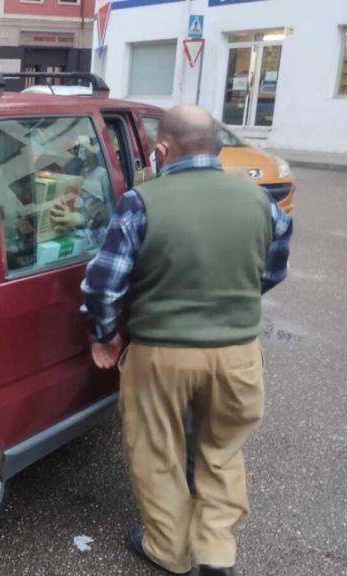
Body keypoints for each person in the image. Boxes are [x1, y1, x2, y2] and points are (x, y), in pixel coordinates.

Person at [81, 105, 292, 576]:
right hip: (237, 353)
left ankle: (167, 550)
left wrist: (105, 335)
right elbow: (273, 270)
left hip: (160, 353)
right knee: (221, 450)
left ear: (161, 150)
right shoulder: (260, 201)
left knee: (157, 451)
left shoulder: (142, 200)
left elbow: (103, 283)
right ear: (217, 146)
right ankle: (216, 553)